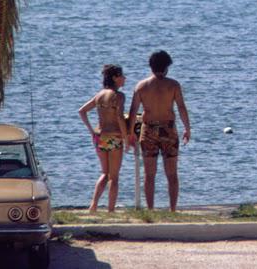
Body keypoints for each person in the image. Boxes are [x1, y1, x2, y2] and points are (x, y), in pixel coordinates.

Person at [128, 50, 191, 211]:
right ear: (167, 67)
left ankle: (150, 209)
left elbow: (133, 111)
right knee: (172, 173)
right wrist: (187, 128)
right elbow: (181, 107)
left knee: (149, 174)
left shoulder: (141, 86)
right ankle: (172, 209)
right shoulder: (173, 85)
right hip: (168, 129)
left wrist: (129, 133)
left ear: (151, 66)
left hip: (148, 129)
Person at [78, 64, 134, 212]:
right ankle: (110, 210)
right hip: (114, 137)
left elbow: (82, 111)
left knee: (105, 173)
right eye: (122, 76)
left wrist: (91, 131)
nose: (124, 78)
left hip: (99, 137)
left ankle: (94, 205)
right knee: (114, 177)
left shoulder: (100, 95)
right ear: (115, 78)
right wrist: (126, 139)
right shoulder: (119, 96)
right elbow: (120, 118)